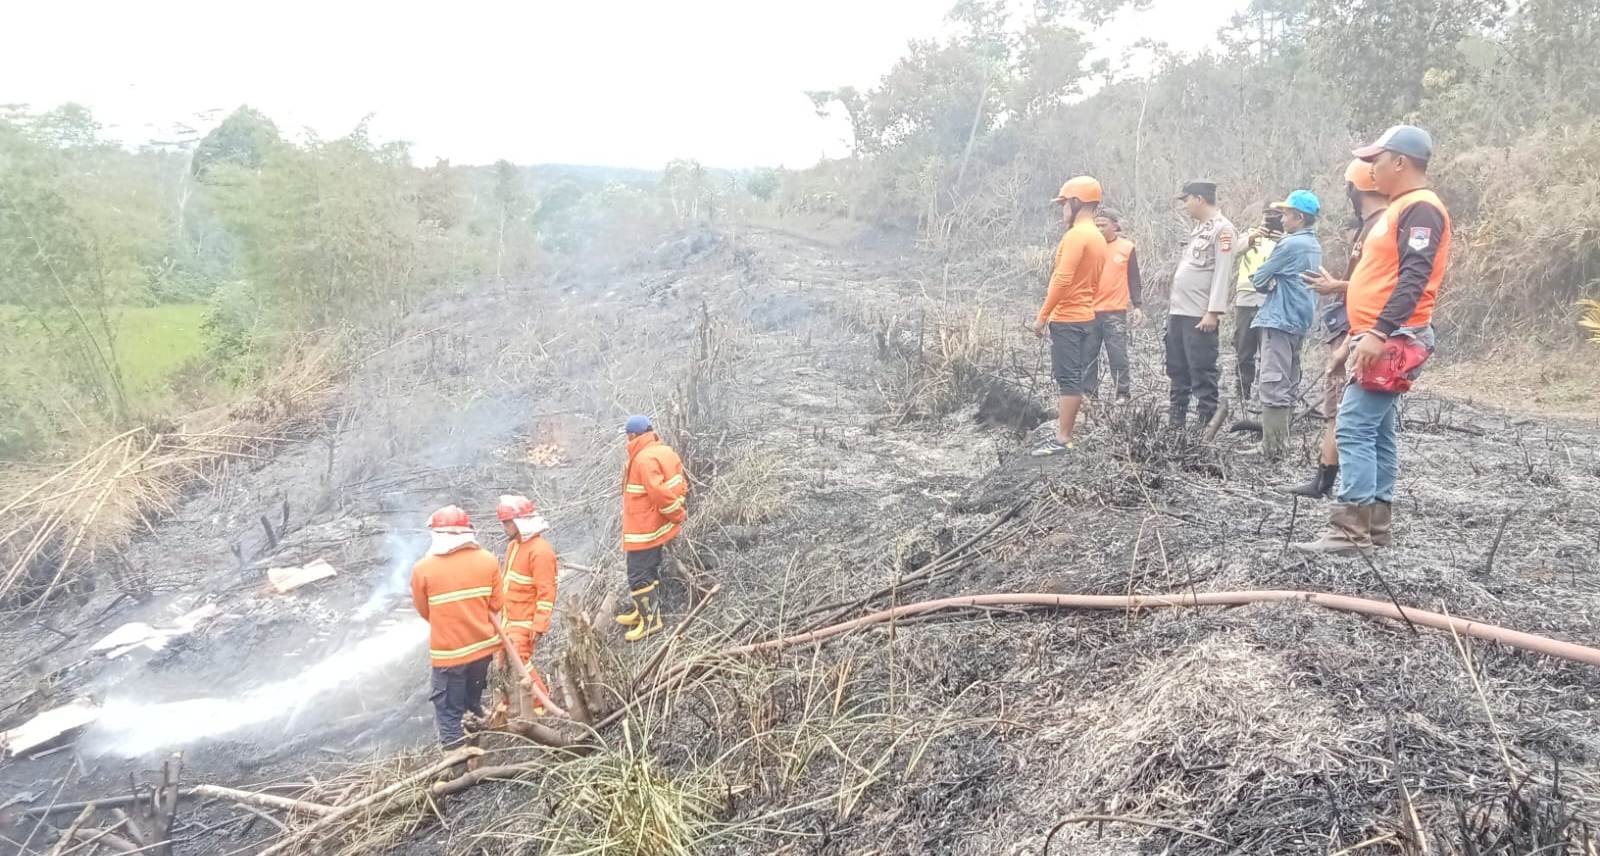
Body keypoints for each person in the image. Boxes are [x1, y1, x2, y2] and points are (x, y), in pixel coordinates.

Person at [1296, 125, 1451, 555]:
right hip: (1379, 334)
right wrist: (1356, 333)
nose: (1370, 170)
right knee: (1378, 431)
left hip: (1394, 337)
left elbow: (1413, 279)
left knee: (1353, 427)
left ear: (1400, 162)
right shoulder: (1402, 209)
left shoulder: (1421, 209)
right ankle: (1376, 525)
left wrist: (1379, 332)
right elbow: (1382, 279)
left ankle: (1350, 530)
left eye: (1376, 161)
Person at [1290, 159, 1390, 497]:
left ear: (1355, 189)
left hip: (1363, 331)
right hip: (1359, 328)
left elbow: (1383, 288)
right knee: (1371, 426)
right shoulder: (1378, 225)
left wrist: (1348, 341)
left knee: (1348, 421)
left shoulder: (1380, 227)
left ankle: (1350, 512)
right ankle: (1363, 510)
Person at [1026, 176, 1109, 455]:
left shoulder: (1076, 236)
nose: (1062, 211)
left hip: (1069, 318)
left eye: (1064, 204)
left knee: (1068, 378)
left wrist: (1042, 316)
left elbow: (1061, 279)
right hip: (1087, 316)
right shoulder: (1098, 237)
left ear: (1076, 203)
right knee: (1074, 376)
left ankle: (1062, 438)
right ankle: (1065, 433)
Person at [410, 505, 502, 747]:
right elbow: (497, 604)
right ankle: (477, 748)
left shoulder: (423, 569)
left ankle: (458, 767)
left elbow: (424, 610)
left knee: (449, 712)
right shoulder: (488, 560)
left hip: (449, 655)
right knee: (473, 702)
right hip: (483, 651)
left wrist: (447, 621)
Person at [1247, 190, 1323, 460]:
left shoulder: (1289, 245)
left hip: (1279, 318)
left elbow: (1258, 279)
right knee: (1289, 379)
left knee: (1273, 380)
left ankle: (1273, 448)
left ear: (1299, 217)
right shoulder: (1313, 245)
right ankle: (1281, 443)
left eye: (1287, 214)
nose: (1282, 219)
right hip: (1299, 319)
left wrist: (1270, 280)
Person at [1166, 181, 1238, 429]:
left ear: (1198, 198)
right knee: (1177, 367)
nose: (1185, 206)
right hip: (1179, 310)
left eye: (1186, 200)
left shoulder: (1223, 229)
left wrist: (1213, 311)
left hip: (1199, 314)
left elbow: (1222, 271)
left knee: (1201, 369)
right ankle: (1176, 419)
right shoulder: (1199, 230)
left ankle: (1206, 422)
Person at [617, 415, 688, 640]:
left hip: (643, 529)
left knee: (638, 574)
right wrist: (673, 516)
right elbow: (680, 484)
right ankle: (643, 611)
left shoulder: (643, 459)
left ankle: (650, 621)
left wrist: (676, 514)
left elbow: (659, 494)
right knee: (648, 569)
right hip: (654, 525)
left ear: (632, 435)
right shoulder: (664, 451)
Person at [494, 494, 557, 714]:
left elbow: (546, 592)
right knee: (502, 663)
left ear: (520, 521)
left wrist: (539, 625)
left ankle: (540, 704)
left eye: (506, 522)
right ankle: (511, 702)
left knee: (520, 661)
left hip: (525, 620)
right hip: (508, 618)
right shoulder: (514, 547)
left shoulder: (540, 551)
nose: (504, 527)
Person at [1232, 204, 1284, 423]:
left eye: (1275, 216)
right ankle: (1242, 391)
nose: (1270, 220)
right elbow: (1232, 251)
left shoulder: (1285, 240)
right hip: (1245, 300)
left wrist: (1281, 239)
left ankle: (1264, 394)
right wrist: (1253, 237)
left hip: (1269, 300)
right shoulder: (1250, 235)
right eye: (1268, 216)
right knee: (1243, 348)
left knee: (1268, 351)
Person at [1085, 208, 1144, 404]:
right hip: (1089, 311)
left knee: (1118, 355)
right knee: (1088, 356)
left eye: (1103, 225)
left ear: (1115, 226)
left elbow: (1134, 278)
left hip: (1115, 312)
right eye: (1096, 225)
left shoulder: (1126, 247)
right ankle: (1090, 395)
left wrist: (1137, 305)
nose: (1099, 229)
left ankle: (1122, 393)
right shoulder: (1088, 247)